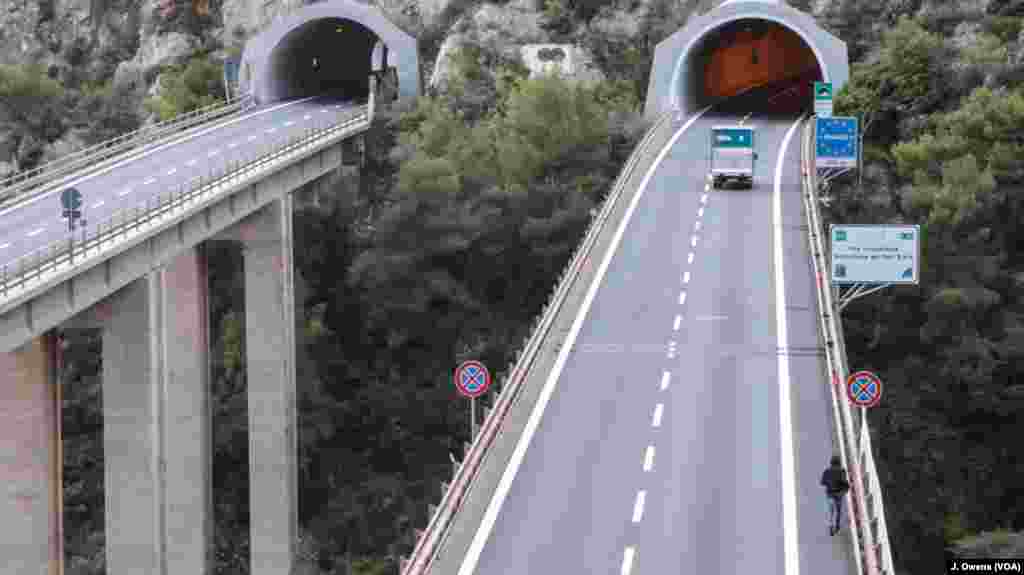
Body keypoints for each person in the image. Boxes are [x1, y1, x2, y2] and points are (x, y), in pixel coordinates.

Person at [821, 455, 851, 536]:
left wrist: (829, 483)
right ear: (839, 463)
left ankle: (831, 526)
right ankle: (837, 526)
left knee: (831, 511)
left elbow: (822, 482)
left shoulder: (827, 471)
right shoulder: (842, 471)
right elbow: (845, 483)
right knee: (838, 511)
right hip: (839, 494)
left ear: (831, 463)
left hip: (830, 494)